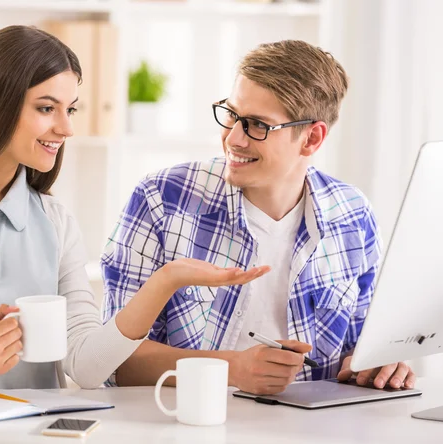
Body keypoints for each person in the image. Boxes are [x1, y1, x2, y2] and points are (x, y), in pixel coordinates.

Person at [0, 25, 270, 395]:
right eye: (46, 108)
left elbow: (86, 366)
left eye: (71, 110)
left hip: (36, 431)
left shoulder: (54, 220)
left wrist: (166, 281)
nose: (65, 128)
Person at [102, 40, 415, 395]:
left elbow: (360, 354)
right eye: (232, 115)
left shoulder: (352, 215)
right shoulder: (162, 198)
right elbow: (113, 362)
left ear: (311, 138)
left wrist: (380, 363)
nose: (233, 138)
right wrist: (230, 370)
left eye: (257, 125)